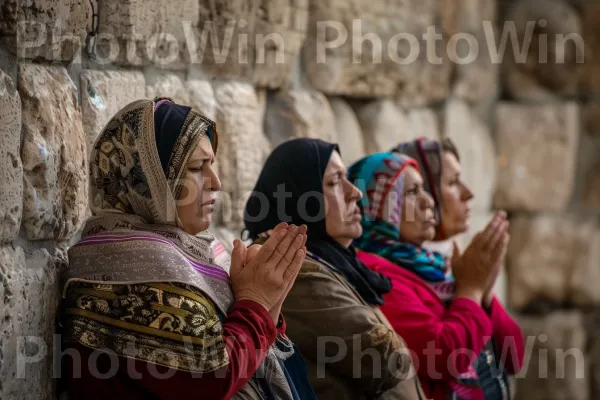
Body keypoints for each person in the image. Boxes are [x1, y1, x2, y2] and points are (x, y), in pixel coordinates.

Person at [58, 97, 317, 400]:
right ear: (150, 181)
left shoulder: (190, 252)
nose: (216, 182)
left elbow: (245, 346)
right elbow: (211, 376)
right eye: (197, 167)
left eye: (212, 165)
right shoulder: (126, 269)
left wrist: (270, 297)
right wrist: (256, 301)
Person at [243, 138, 427, 400]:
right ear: (300, 197)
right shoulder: (294, 269)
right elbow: (387, 360)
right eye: (333, 183)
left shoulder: (332, 262)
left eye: (347, 179)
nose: (356, 193)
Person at [348, 151, 525, 400]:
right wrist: (472, 289)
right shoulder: (376, 275)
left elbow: (514, 355)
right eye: (412, 192)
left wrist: (481, 292)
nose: (428, 201)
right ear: (376, 206)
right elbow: (442, 357)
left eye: (424, 189)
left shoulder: (436, 269)